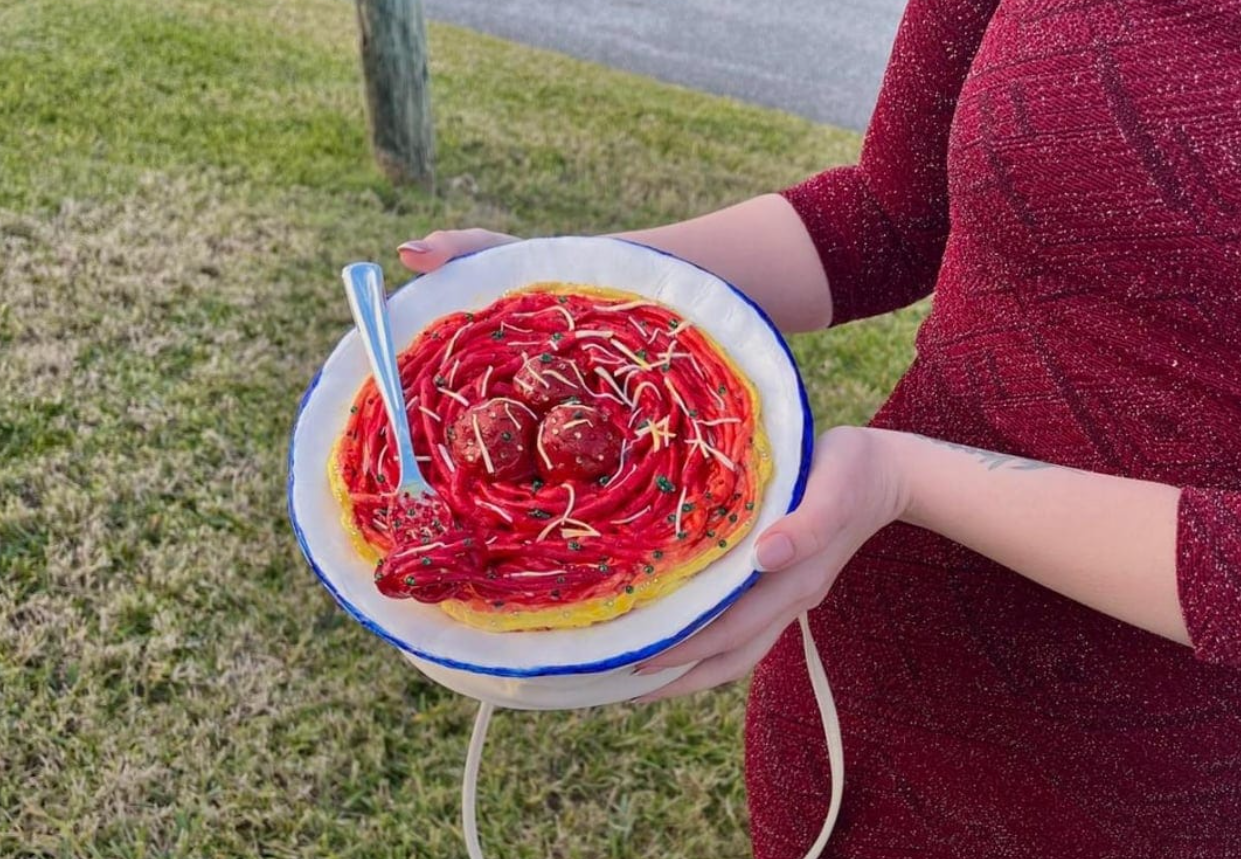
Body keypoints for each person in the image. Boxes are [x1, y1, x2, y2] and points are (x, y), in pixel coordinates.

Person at [397, 0, 1241, 855]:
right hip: (875, 667)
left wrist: (906, 478)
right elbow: (889, 217)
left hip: (1170, 781)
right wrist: (567, 281)